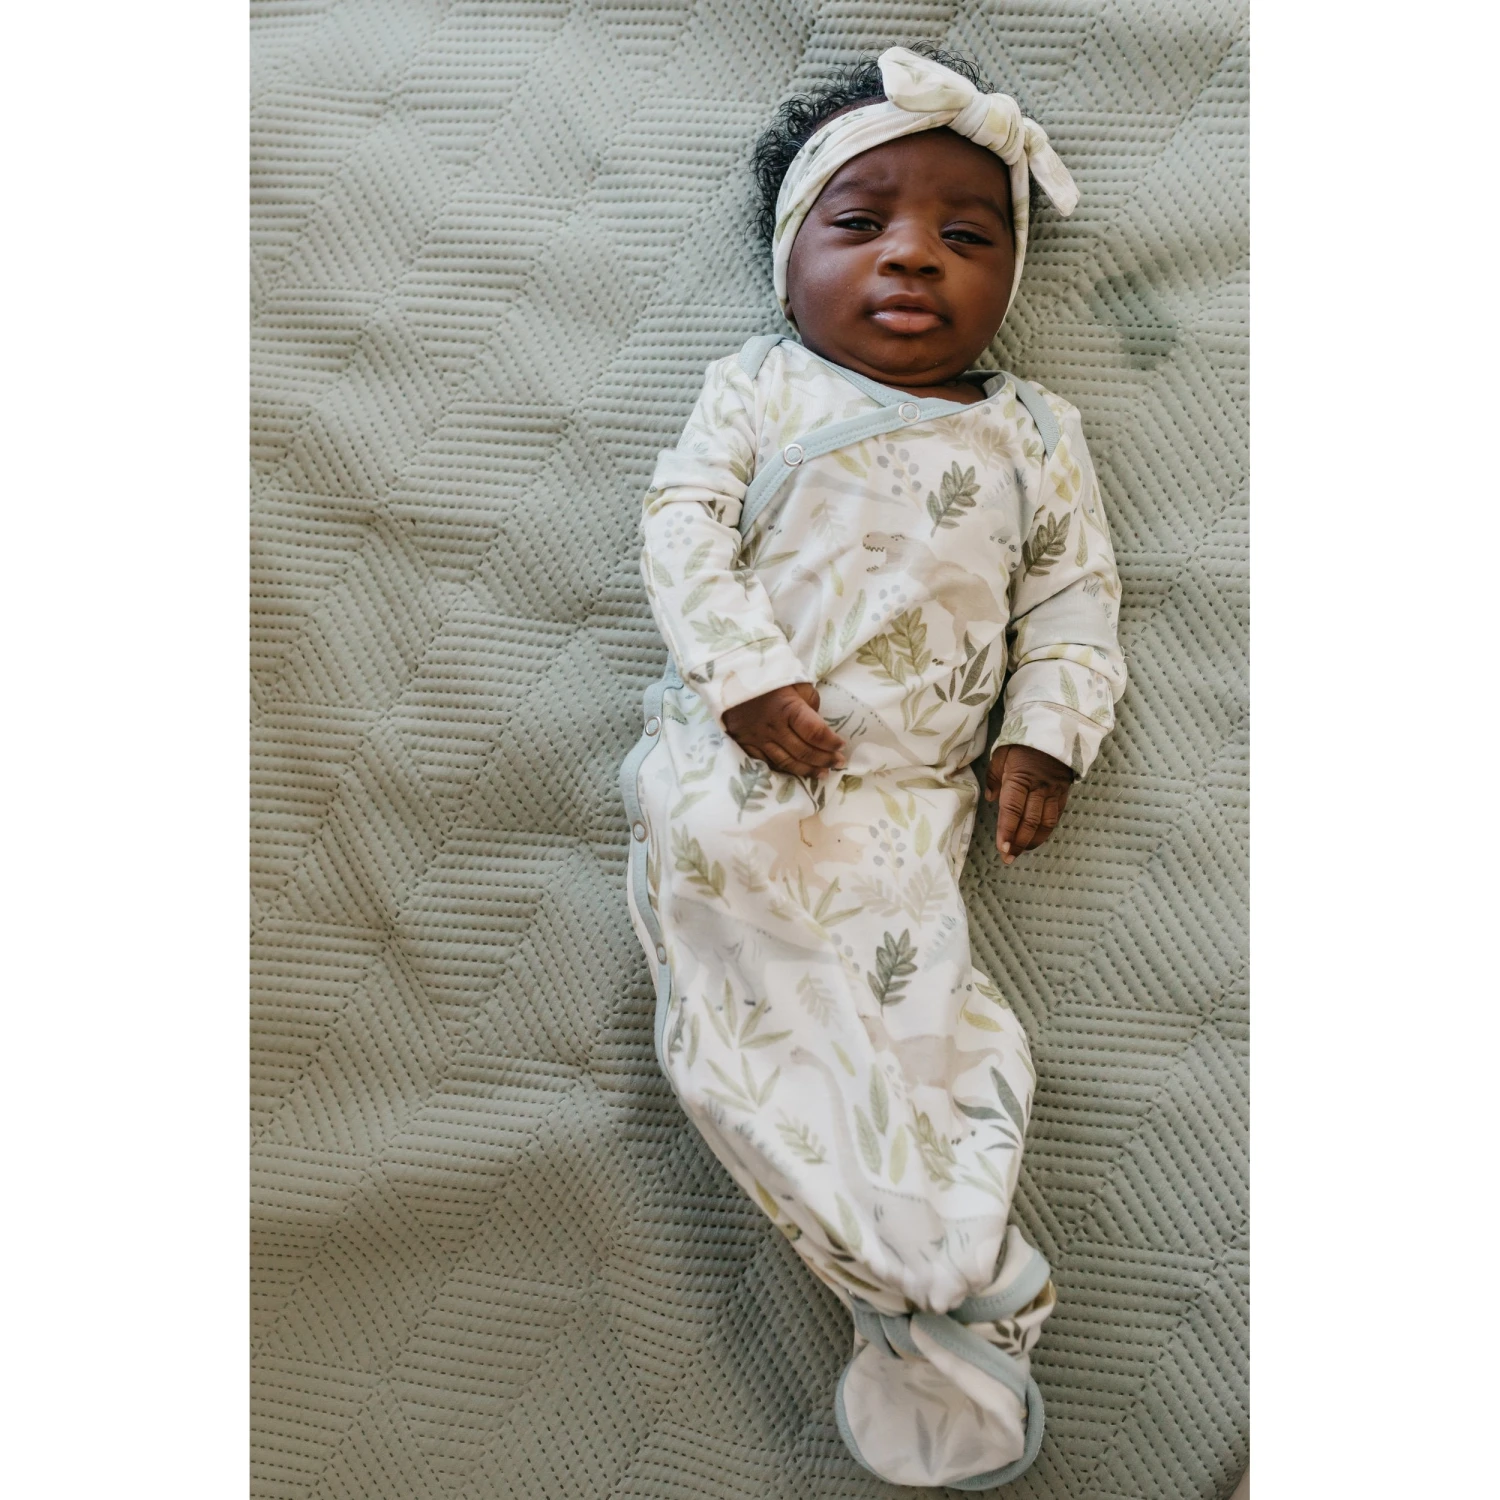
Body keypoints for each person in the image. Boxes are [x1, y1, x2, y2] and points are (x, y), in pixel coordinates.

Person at [618, 43, 1126, 1489]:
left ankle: (943, 1272)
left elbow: (1075, 599)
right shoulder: (760, 388)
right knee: (752, 1026)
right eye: (862, 224)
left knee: (933, 1032)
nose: (914, 257)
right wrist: (743, 675)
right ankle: (908, 1273)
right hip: (737, 785)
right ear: (788, 262)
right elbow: (681, 527)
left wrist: (1044, 734)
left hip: (911, 809)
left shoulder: (1036, 434)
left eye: (968, 235)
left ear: (1012, 276)